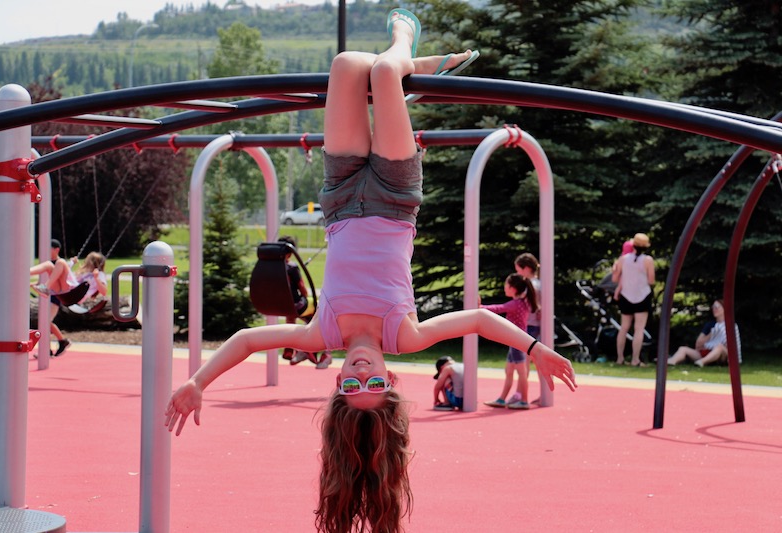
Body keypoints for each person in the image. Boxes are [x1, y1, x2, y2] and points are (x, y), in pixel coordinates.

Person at [165, 9, 575, 533]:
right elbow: (476, 320)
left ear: (337, 382)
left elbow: (247, 339)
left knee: (345, 65)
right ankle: (405, 44)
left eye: (354, 381)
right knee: (381, 74)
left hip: (339, 198)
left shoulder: (323, 332)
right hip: (394, 196)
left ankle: (410, 70)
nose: (363, 371)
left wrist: (199, 381)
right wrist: (538, 349)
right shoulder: (403, 335)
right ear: (391, 378)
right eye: (375, 380)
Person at [480, 274, 539, 409]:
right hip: (515, 343)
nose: (504, 288)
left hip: (517, 342)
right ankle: (502, 399)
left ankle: (524, 401)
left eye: (506, 285)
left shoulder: (516, 304)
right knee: (509, 371)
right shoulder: (523, 302)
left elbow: (498, 308)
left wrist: (480, 307)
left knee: (521, 373)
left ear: (513, 288)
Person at [277, 235, 331, 369]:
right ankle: (324, 354)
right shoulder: (292, 268)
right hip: (297, 306)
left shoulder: (270, 268)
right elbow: (304, 291)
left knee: (295, 317)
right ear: (290, 253)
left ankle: (295, 349)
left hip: (281, 306)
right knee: (321, 315)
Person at [611, 232, 654, 367]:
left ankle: (620, 358)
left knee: (623, 328)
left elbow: (614, 278)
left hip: (626, 296)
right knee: (639, 329)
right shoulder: (648, 260)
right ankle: (635, 359)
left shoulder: (623, 259)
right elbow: (651, 280)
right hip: (642, 296)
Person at [30, 239, 76, 356]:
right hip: (55, 291)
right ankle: (57, 343)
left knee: (45, 322)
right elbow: (51, 277)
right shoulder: (53, 264)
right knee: (45, 322)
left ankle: (58, 343)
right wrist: (34, 285)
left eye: (49, 249)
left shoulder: (61, 263)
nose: (46, 251)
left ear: (56, 250)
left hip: (64, 291)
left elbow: (64, 272)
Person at [668, 300, 742, 367]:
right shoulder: (710, 325)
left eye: (717, 307)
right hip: (706, 352)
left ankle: (702, 362)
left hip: (723, 356)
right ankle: (671, 361)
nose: (714, 309)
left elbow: (732, 347)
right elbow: (698, 345)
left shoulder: (731, 325)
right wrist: (711, 334)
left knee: (719, 347)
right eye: (713, 307)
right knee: (683, 349)